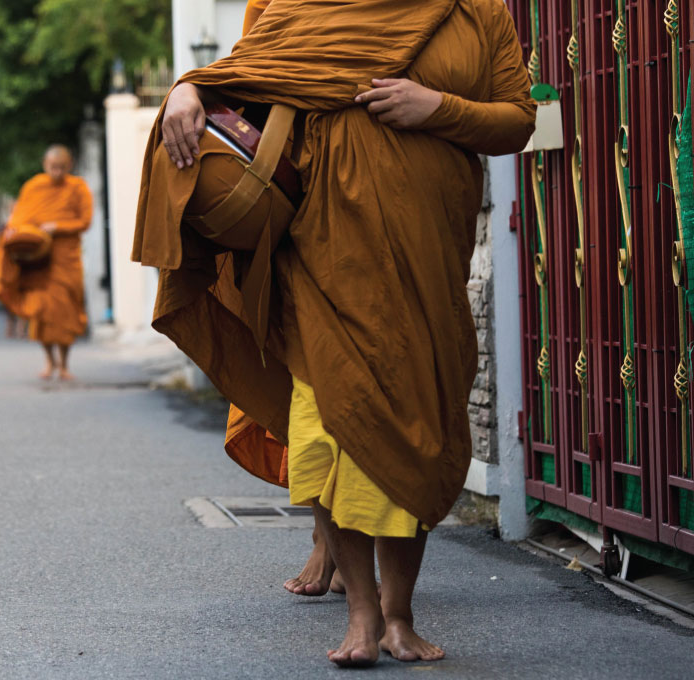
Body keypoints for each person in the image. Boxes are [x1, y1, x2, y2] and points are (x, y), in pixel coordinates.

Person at [133, 0, 535, 668]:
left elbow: (518, 120)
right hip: (323, 251)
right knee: (335, 418)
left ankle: (400, 617)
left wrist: (436, 108)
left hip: (428, 252)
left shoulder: (479, 11)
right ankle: (361, 615)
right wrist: (186, 90)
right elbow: (250, 77)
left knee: (417, 421)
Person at [0, 145, 93, 380]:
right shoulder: (34, 187)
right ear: (44, 165)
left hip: (65, 257)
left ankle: (65, 364)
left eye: (61, 168)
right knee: (42, 311)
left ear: (69, 167)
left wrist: (57, 227)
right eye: (52, 167)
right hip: (38, 261)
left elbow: (85, 221)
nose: (57, 172)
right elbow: (18, 219)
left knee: (66, 311)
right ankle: (49, 361)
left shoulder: (78, 188)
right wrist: (18, 233)